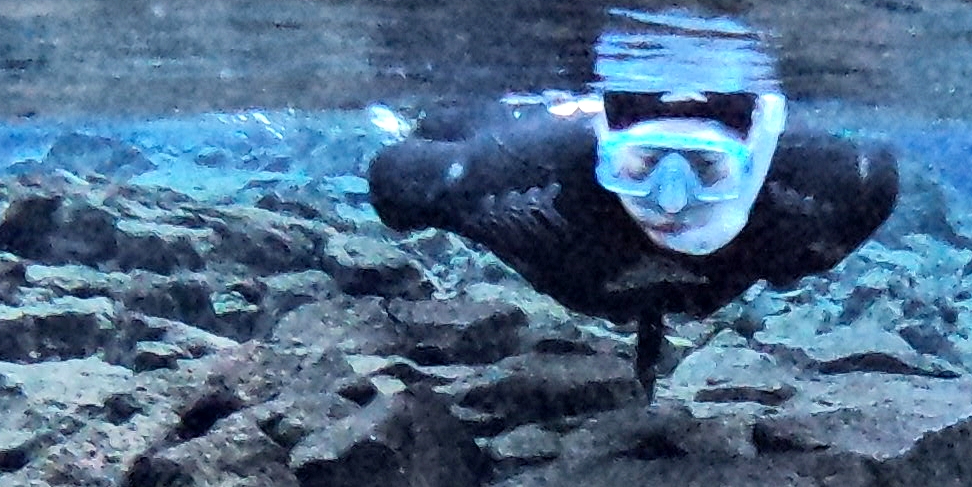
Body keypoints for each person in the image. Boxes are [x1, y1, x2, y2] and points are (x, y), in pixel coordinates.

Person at [366, 81, 898, 387]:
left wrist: (791, 262)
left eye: (706, 171)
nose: (671, 202)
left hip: (584, 270)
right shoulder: (515, 172)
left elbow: (868, 190)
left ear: (755, 162)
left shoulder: (841, 182)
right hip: (540, 165)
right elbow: (398, 175)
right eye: (641, 167)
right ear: (605, 156)